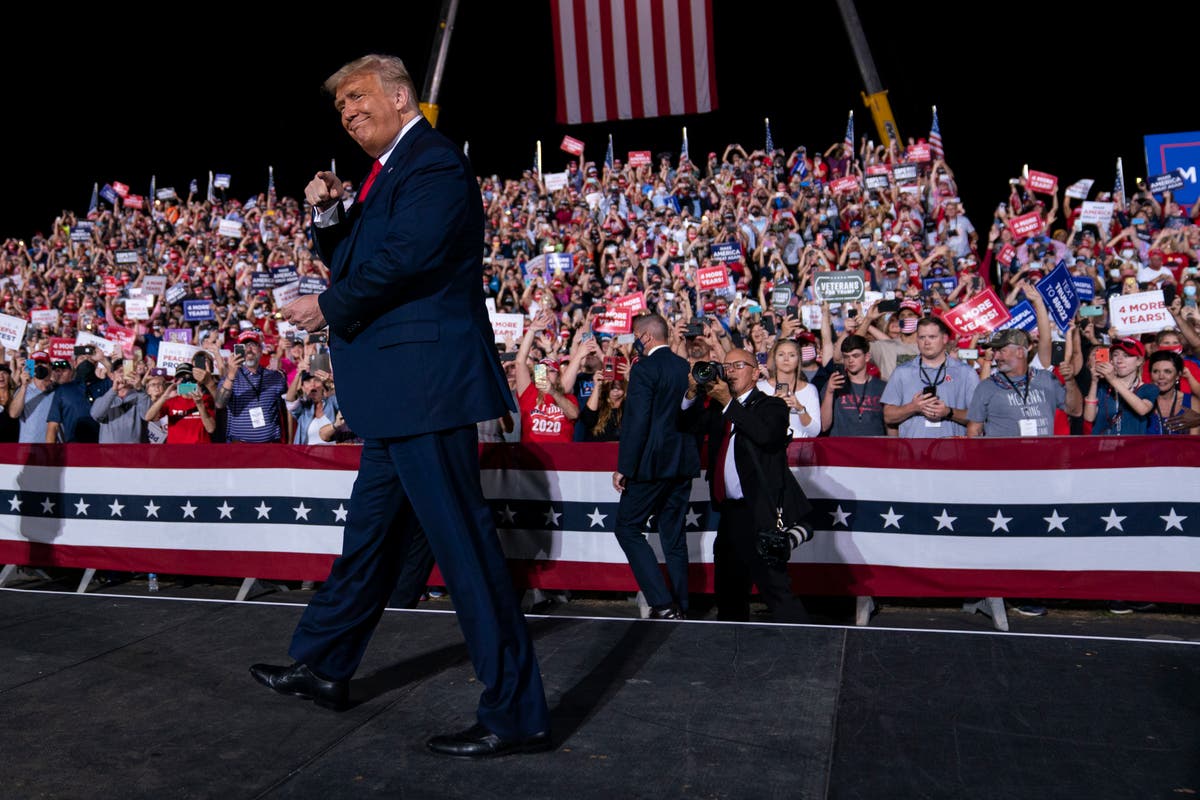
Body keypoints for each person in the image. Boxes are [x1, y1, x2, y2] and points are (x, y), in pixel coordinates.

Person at [257, 53, 549, 760]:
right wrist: (331, 213)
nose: (348, 112)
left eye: (357, 98)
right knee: (369, 541)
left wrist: (324, 306)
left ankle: (515, 715)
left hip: (425, 386)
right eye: (340, 107)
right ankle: (325, 666)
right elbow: (360, 256)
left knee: (466, 553)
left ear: (398, 94)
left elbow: (407, 260)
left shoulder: (434, 163)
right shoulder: (389, 171)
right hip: (395, 394)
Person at [682, 348, 812, 622]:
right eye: (726, 366)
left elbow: (766, 436)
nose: (729, 371)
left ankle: (804, 644)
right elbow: (685, 424)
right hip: (729, 513)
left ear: (755, 372)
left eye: (738, 365)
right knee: (728, 589)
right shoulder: (718, 407)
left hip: (759, 511)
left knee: (775, 588)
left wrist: (729, 403)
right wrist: (692, 393)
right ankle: (730, 641)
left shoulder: (771, 405)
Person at [612, 313, 700, 619]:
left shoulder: (644, 368)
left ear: (646, 337)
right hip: (682, 463)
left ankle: (662, 603)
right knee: (673, 538)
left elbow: (637, 422)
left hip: (651, 465)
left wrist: (625, 466)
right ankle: (682, 605)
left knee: (626, 528)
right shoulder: (685, 368)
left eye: (636, 336)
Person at [881, 316, 979, 437]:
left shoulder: (966, 372)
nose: (926, 342)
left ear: (944, 339)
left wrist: (949, 412)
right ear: (917, 340)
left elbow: (978, 418)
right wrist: (912, 407)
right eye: (922, 337)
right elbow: (888, 417)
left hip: (952, 451)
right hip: (913, 452)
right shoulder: (902, 372)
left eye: (932, 337)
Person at [215, 329, 288, 443]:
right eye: (244, 345)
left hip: (271, 446)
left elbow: (288, 409)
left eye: (253, 345)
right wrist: (231, 374)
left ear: (260, 349)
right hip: (241, 448)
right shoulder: (229, 378)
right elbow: (219, 404)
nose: (249, 349)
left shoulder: (276, 377)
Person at [1083, 337, 1156, 435]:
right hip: (1102, 447)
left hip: (1132, 448)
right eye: (1115, 355)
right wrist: (1094, 382)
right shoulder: (1102, 387)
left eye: (1126, 356)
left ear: (1139, 361)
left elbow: (1142, 409)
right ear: (1111, 360)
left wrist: (1112, 379)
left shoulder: (1149, 388)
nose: (1120, 360)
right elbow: (1089, 417)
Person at [820, 335, 890, 436]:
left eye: (855, 356)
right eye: (846, 357)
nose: (850, 360)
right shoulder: (834, 384)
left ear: (867, 357)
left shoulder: (882, 387)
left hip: (874, 448)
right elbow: (824, 426)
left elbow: (890, 425)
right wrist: (829, 392)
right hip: (841, 449)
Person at [757, 338, 821, 438]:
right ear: (774, 358)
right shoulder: (760, 387)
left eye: (792, 355)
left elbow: (814, 432)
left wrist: (800, 409)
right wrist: (771, 406)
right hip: (769, 449)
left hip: (799, 449)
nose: (786, 359)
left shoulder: (810, 390)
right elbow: (754, 427)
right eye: (781, 354)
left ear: (799, 359)